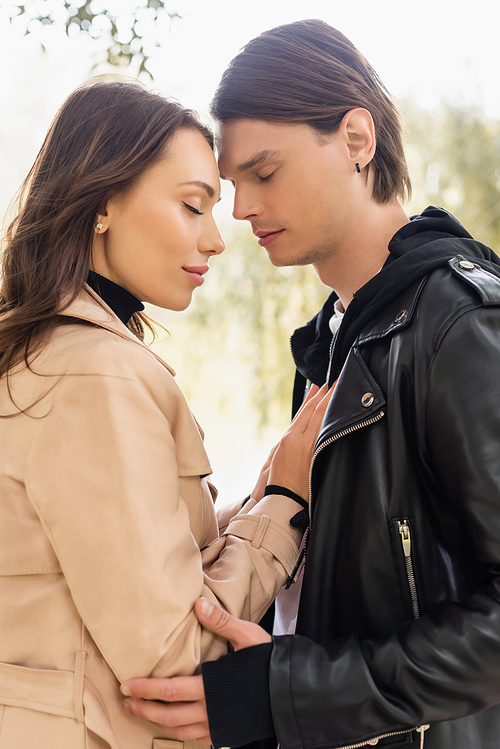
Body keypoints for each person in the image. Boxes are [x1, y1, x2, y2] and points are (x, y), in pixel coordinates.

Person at [120, 19, 500, 749]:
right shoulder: (334, 337)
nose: (241, 210)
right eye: (232, 185)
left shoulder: (458, 326)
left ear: (357, 140)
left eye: (265, 173)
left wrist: (287, 692)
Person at [0, 76, 332, 749]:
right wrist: (285, 508)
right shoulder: (92, 372)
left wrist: (254, 500)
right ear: (103, 203)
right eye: (192, 206)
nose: (216, 239)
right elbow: (174, 662)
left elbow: (116, 570)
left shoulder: (48, 350)